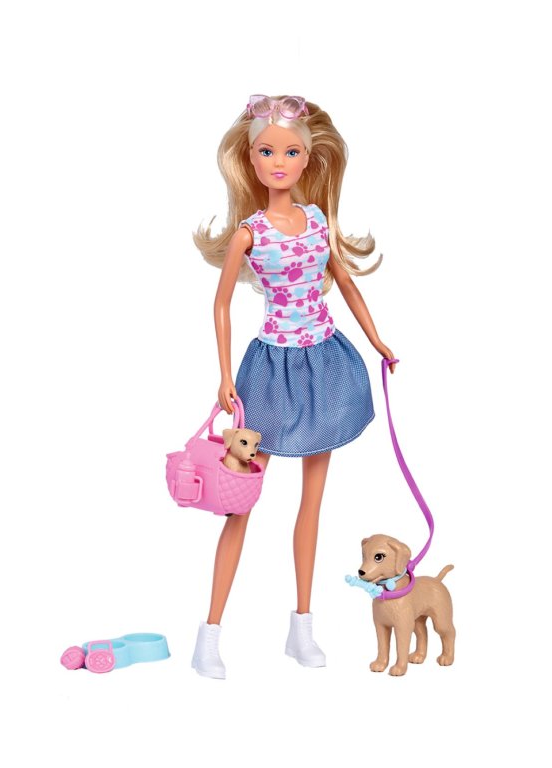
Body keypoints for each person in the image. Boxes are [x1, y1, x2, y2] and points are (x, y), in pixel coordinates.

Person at [190, 95, 396, 679]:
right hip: (270, 372)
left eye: (290, 152)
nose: (278, 162)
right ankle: (209, 635)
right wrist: (224, 374)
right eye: (266, 152)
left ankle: (301, 628)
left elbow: (346, 284)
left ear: (309, 158)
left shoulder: (316, 223)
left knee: (312, 502)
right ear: (249, 159)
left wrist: (377, 339)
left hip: (324, 364)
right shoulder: (249, 234)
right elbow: (221, 305)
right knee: (241, 502)